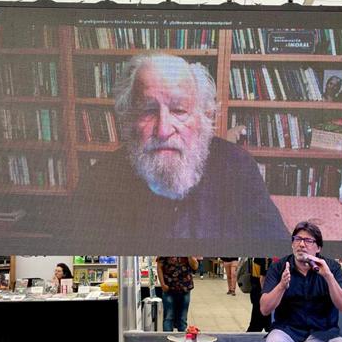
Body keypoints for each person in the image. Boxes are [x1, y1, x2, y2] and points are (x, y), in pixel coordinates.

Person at [72, 53, 288, 244]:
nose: (164, 130)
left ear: (205, 117)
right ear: (129, 119)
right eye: (148, 111)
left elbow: (279, 255)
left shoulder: (237, 168)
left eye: (179, 110)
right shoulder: (98, 181)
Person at [156, 256, 198, 332]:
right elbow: (159, 267)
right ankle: (167, 341)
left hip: (185, 288)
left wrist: (189, 256)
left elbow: (195, 267)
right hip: (169, 288)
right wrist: (162, 284)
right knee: (169, 317)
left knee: (182, 319)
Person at [246, 257, 272, 332]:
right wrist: (266, 297)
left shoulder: (259, 256)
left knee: (258, 325)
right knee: (257, 326)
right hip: (262, 296)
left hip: (257, 293)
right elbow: (263, 279)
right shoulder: (266, 257)